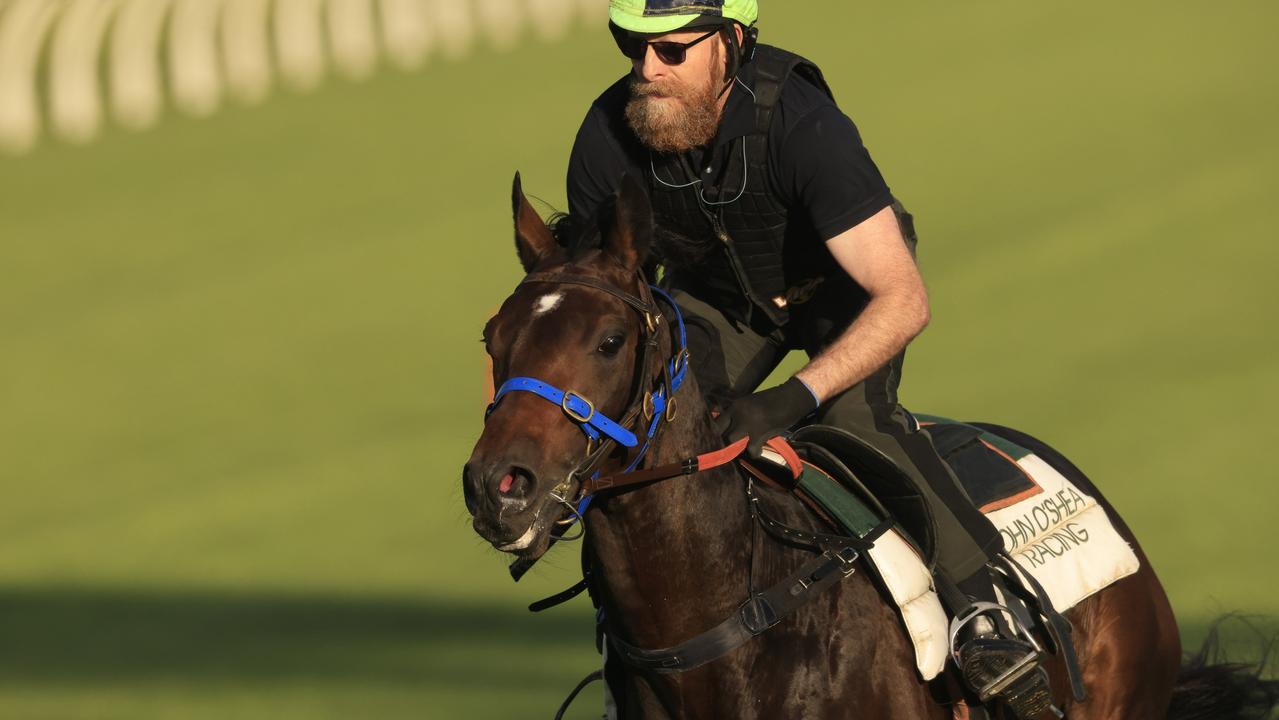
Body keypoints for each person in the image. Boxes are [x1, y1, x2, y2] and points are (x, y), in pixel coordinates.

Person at [564, 0, 1047, 713]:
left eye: (670, 52)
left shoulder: (803, 124)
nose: (646, 71)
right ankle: (625, 653)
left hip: (838, 287)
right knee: (645, 438)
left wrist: (793, 398)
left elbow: (903, 300)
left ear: (730, 42)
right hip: (715, 301)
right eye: (630, 49)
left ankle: (984, 608)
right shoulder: (607, 134)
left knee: (853, 418)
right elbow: (589, 293)